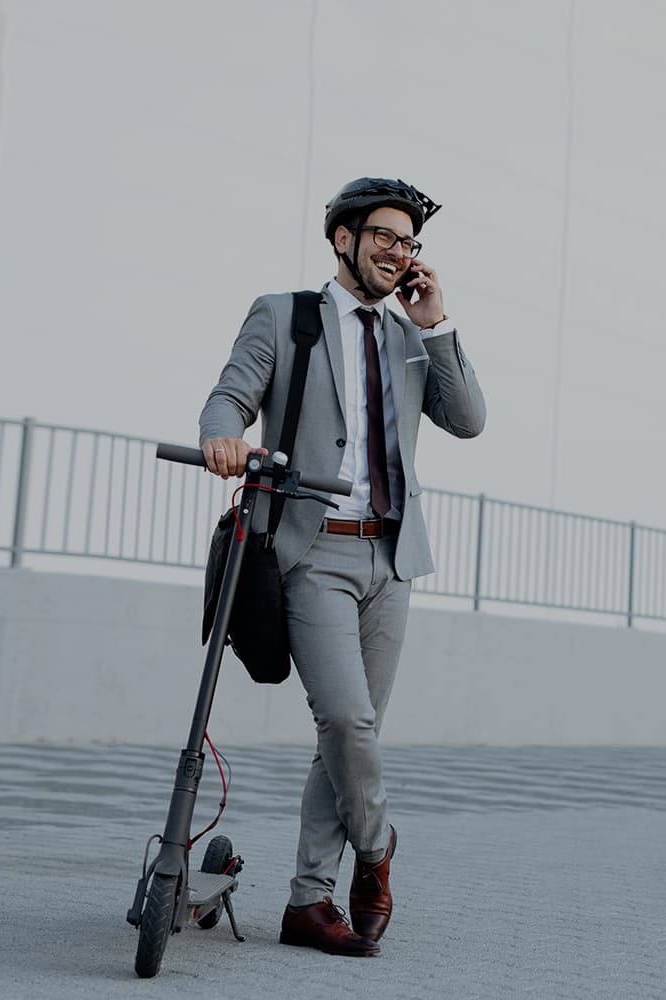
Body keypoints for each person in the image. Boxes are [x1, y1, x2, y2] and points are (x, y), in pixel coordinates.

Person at [198, 178, 485, 957]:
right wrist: (224, 438)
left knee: (349, 736)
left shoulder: (410, 337)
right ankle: (379, 846)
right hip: (313, 546)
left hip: (392, 554)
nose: (399, 251)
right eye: (384, 235)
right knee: (347, 721)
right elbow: (229, 397)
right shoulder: (284, 315)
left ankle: (308, 903)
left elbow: (468, 421)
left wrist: (437, 325)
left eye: (409, 242)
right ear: (343, 239)